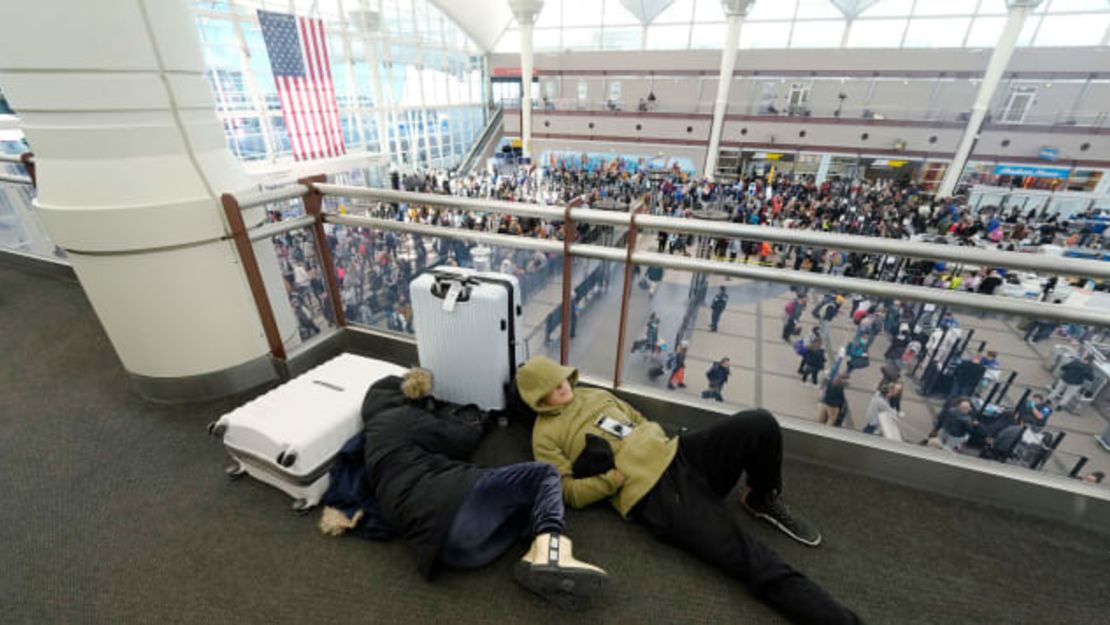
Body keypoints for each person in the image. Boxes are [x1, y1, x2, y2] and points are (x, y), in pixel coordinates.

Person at [516, 356, 861, 625]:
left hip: (680, 453)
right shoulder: (545, 435)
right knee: (755, 561)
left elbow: (638, 416)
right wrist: (612, 481)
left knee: (759, 423)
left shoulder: (592, 393)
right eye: (552, 385)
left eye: (561, 377)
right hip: (656, 495)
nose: (562, 385)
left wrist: (650, 436)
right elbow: (567, 492)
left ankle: (760, 498)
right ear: (537, 398)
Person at [361, 369, 609, 610]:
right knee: (544, 474)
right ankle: (552, 551)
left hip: (453, 553)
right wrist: (451, 414)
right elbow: (462, 437)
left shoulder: (372, 443)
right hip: (453, 506)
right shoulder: (398, 417)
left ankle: (535, 556)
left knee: (529, 504)